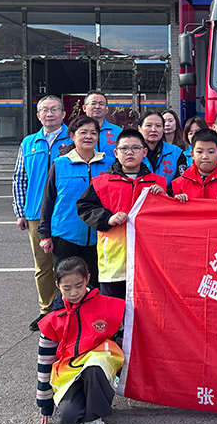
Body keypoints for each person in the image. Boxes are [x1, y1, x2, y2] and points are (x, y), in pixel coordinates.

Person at [36, 257, 125, 424]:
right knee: (67, 416)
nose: (74, 292)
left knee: (94, 367)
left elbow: (125, 340)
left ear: (87, 279)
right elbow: (44, 362)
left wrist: (124, 379)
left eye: (79, 285)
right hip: (71, 372)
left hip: (100, 367)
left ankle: (94, 417)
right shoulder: (53, 320)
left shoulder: (108, 306)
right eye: (67, 288)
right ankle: (89, 401)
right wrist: (44, 403)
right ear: (57, 285)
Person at [77, 129, 167, 300]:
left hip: (149, 261)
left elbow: (169, 216)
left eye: (135, 148)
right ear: (116, 153)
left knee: (146, 308)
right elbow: (85, 207)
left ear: (144, 152)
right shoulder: (101, 183)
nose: (130, 152)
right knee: (114, 308)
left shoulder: (158, 183)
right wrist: (107, 218)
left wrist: (165, 198)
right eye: (124, 148)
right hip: (114, 261)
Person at [13, 95, 72, 331]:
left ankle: (70, 308)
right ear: (38, 116)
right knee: (43, 266)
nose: (49, 114)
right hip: (36, 214)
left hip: (66, 213)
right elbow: (20, 178)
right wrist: (20, 211)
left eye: (54, 109)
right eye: (44, 110)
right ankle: (46, 311)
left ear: (63, 114)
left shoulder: (73, 138)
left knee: (69, 264)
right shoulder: (29, 143)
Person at [38, 114, 109, 291]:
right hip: (65, 236)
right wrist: (45, 234)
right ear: (72, 136)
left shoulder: (109, 164)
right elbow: (48, 200)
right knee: (67, 285)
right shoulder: (60, 164)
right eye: (83, 132)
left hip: (99, 237)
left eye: (93, 133)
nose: (88, 136)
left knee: (94, 286)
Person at [172, 129, 217, 202]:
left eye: (211, 152)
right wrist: (177, 201)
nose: (205, 156)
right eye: (199, 152)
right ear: (192, 154)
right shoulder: (178, 184)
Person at [138, 110, 187, 185]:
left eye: (158, 126)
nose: (153, 130)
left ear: (163, 128)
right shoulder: (132, 151)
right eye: (148, 125)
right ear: (139, 128)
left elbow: (181, 182)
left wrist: (164, 190)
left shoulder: (176, 152)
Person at [82, 91, 121, 169]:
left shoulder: (118, 132)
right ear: (84, 108)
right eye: (93, 103)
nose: (97, 107)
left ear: (106, 109)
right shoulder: (76, 132)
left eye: (101, 104)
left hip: (111, 174)